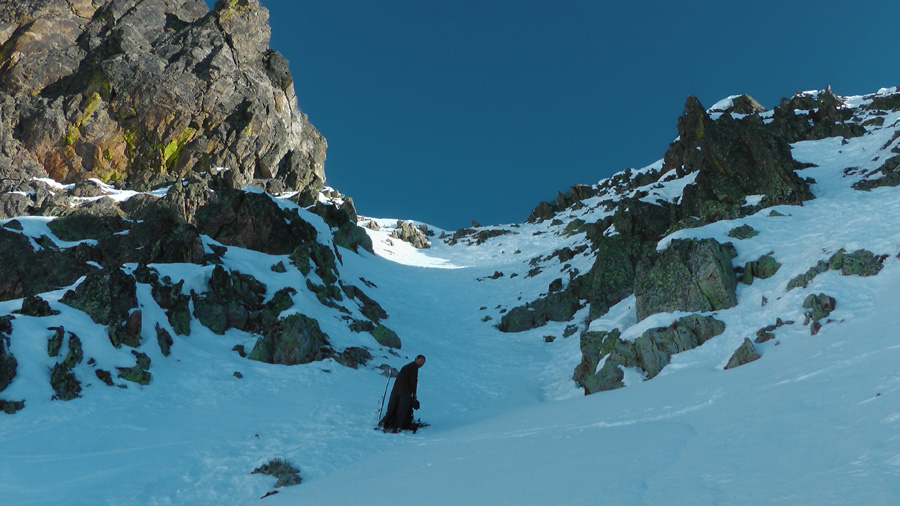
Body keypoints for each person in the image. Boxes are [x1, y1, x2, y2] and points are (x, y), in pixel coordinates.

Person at [379, 355, 426, 433]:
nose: (422, 363)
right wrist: (414, 393)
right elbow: (413, 381)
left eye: (423, 362)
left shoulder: (406, 366)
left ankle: (384, 424)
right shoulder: (414, 367)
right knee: (402, 409)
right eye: (421, 360)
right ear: (415, 359)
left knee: (391, 407)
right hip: (405, 391)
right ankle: (396, 427)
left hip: (396, 390)